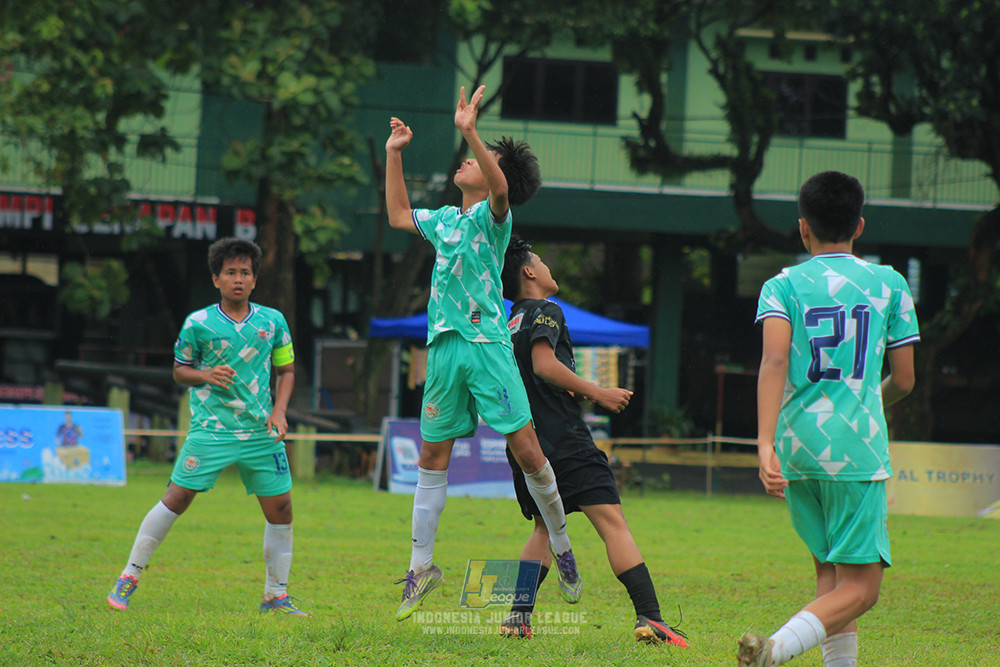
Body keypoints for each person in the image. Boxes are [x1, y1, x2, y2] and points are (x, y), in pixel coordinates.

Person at [385, 85, 581, 621]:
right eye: (471, 152)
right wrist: (394, 153)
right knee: (431, 458)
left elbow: (500, 189)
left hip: (486, 347)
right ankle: (421, 568)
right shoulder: (445, 220)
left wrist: (470, 130)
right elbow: (398, 214)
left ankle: (562, 544)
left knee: (528, 450)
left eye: (478, 157)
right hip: (444, 349)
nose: (467, 159)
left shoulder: (495, 218)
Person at [740, 171, 919, 666]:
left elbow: (774, 361)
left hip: (797, 445)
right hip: (855, 447)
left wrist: (765, 444)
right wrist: (869, 400)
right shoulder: (890, 284)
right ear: (859, 225)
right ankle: (774, 651)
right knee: (862, 589)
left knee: (831, 576)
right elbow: (905, 379)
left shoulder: (781, 285)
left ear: (803, 228)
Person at [498, 236, 689, 646]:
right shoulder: (546, 310)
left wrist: (571, 388)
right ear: (529, 272)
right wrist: (598, 392)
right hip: (564, 440)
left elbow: (527, 375)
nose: (547, 266)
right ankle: (651, 617)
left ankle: (517, 617)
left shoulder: (507, 323)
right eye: (541, 260)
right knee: (612, 524)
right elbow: (543, 364)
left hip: (525, 442)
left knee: (544, 528)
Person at [107, 237, 307, 616]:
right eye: (230, 272)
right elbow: (179, 370)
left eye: (245, 272)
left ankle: (276, 596)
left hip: (259, 433)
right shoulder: (197, 324)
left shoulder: (273, 322)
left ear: (255, 279)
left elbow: (287, 371)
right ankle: (129, 575)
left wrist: (279, 412)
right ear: (216, 279)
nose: (238, 279)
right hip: (211, 430)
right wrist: (205, 374)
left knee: (281, 508)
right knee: (177, 498)